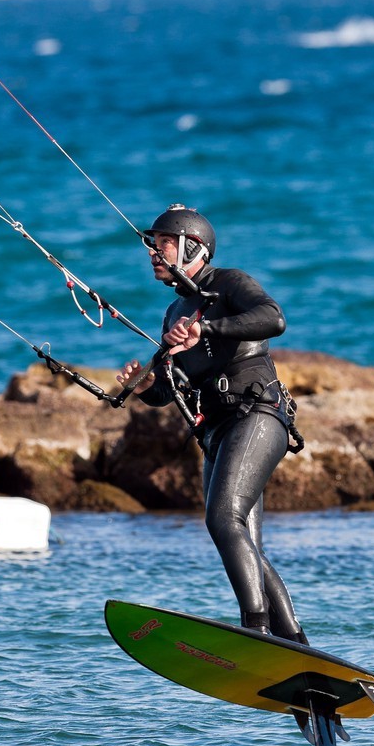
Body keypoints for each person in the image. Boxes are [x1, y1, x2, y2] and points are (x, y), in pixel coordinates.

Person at [117, 204, 307, 644]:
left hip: (257, 415)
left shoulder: (229, 284)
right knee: (243, 542)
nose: (153, 253)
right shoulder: (173, 313)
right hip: (217, 432)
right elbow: (172, 387)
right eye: (152, 244)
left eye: (162, 243)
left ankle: (254, 630)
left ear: (192, 247)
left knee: (222, 519)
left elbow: (273, 318)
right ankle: (295, 647)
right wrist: (144, 385)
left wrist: (206, 331)